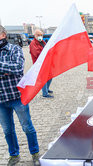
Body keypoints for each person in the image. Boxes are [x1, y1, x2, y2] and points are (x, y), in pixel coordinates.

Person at [0, 25, 40, 166]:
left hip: (17, 96)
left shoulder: (14, 49)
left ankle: (35, 153)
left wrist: (4, 68)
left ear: (3, 34)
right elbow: (10, 69)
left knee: (27, 126)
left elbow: (17, 68)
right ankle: (14, 155)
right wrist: (5, 69)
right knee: (7, 130)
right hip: (1, 100)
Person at [30, 29, 53, 98]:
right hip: (39, 64)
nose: (40, 36)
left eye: (41, 35)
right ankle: (45, 94)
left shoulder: (42, 42)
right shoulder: (33, 43)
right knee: (43, 78)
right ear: (35, 35)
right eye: (38, 35)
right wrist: (46, 53)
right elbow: (37, 54)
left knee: (50, 76)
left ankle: (47, 89)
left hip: (46, 62)